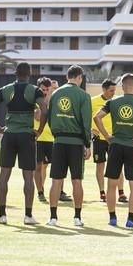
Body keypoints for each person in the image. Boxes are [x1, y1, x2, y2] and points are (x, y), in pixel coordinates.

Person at [0, 62, 47, 225]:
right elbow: (44, 109)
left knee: (4, 174)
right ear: (29, 74)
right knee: (28, 176)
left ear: (15, 73)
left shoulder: (4, 90)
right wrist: (39, 130)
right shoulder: (34, 90)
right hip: (26, 136)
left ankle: (2, 215)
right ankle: (28, 216)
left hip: (9, 135)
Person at [94, 73, 133, 228]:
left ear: (122, 87)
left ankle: (112, 218)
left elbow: (97, 117)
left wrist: (107, 136)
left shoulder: (112, 101)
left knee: (111, 184)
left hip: (115, 145)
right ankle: (130, 219)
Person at [46, 65, 93, 227]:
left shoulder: (55, 93)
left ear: (68, 77)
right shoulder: (83, 96)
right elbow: (86, 122)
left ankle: (53, 217)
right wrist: (88, 143)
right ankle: (77, 217)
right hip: (76, 143)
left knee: (56, 181)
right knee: (77, 180)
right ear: (79, 77)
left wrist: (57, 135)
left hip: (59, 142)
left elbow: (50, 118)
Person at [91, 79, 126, 203]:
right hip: (99, 139)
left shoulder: (116, 101)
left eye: (114, 91)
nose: (113, 93)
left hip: (114, 139)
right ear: (104, 89)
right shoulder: (93, 101)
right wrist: (91, 130)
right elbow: (87, 117)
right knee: (100, 165)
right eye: (111, 90)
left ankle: (121, 193)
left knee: (118, 165)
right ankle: (102, 193)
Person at [34, 78, 59, 203]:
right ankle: (40, 192)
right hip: (37, 139)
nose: (44, 92)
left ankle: (58, 191)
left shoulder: (54, 102)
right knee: (38, 167)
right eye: (42, 90)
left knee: (56, 167)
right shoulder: (35, 101)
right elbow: (38, 117)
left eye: (47, 90)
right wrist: (43, 101)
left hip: (51, 139)